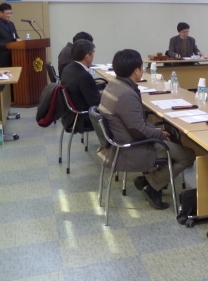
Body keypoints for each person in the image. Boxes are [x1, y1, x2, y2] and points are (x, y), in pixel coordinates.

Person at [98, 49, 196, 209]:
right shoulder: (126, 94)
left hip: (120, 141)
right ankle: (152, 185)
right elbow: (139, 130)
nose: (143, 70)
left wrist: (157, 131)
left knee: (172, 140)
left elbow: (136, 123)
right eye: (142, 67)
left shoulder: (113, 85)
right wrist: (159, 133)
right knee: (188, 155)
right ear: (136, 71)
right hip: (131, 148)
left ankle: (148, 180)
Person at [60, 39, 101, 132]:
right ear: (87, 56)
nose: (93, 55)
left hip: (70, 115)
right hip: (82, 117)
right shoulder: (84, 76)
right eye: (93, 53)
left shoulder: (68, 68)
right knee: (116, 113)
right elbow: (95, 103)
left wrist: (98, 92)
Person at [0, 3, 22, 67]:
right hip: (2, 57)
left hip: (13, 55)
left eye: (10, 13)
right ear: (0, 12)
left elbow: (15, 36)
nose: (9, 16)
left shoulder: (11, 24)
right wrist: (8, 45)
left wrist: (18, 40)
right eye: (7, 13)